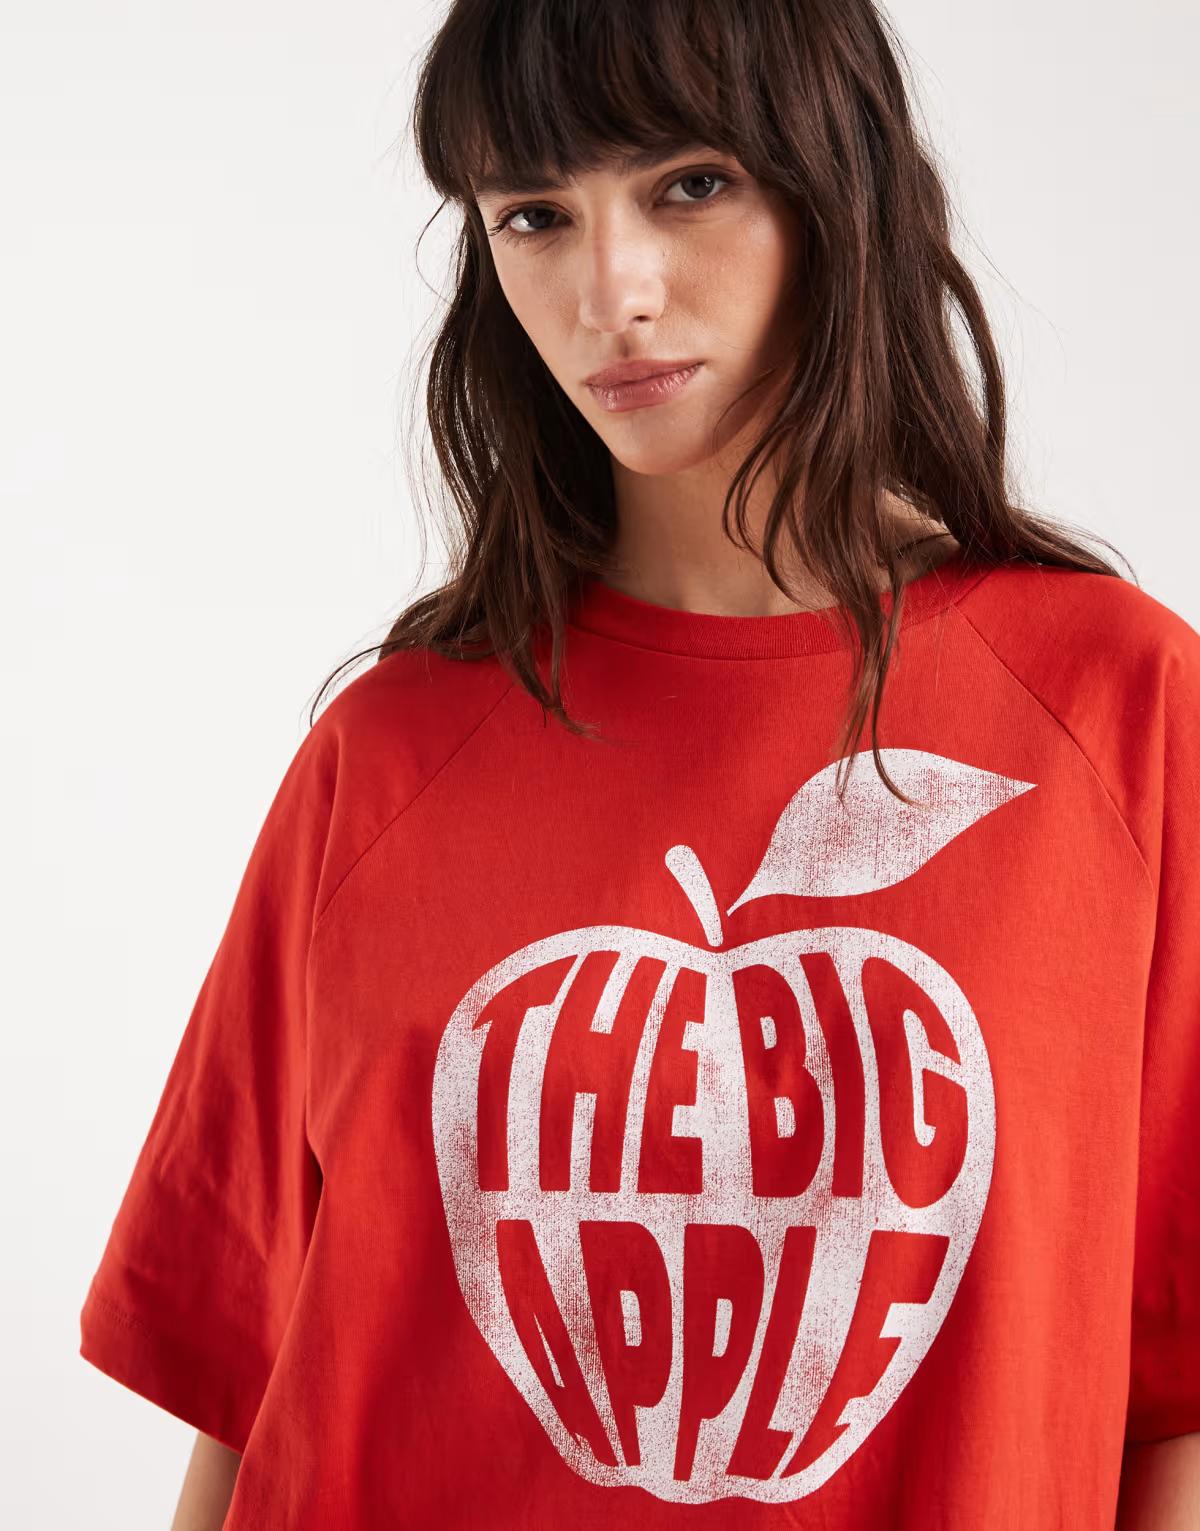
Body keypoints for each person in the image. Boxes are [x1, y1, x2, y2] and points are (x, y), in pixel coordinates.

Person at [79, 1, 1200, 1526]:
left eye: (689, 183)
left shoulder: (1117, 713)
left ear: (837, 181)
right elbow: (251, 1389)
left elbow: (1179, 1396)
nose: (612, 291)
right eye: (535, 215)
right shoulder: (387, 755)